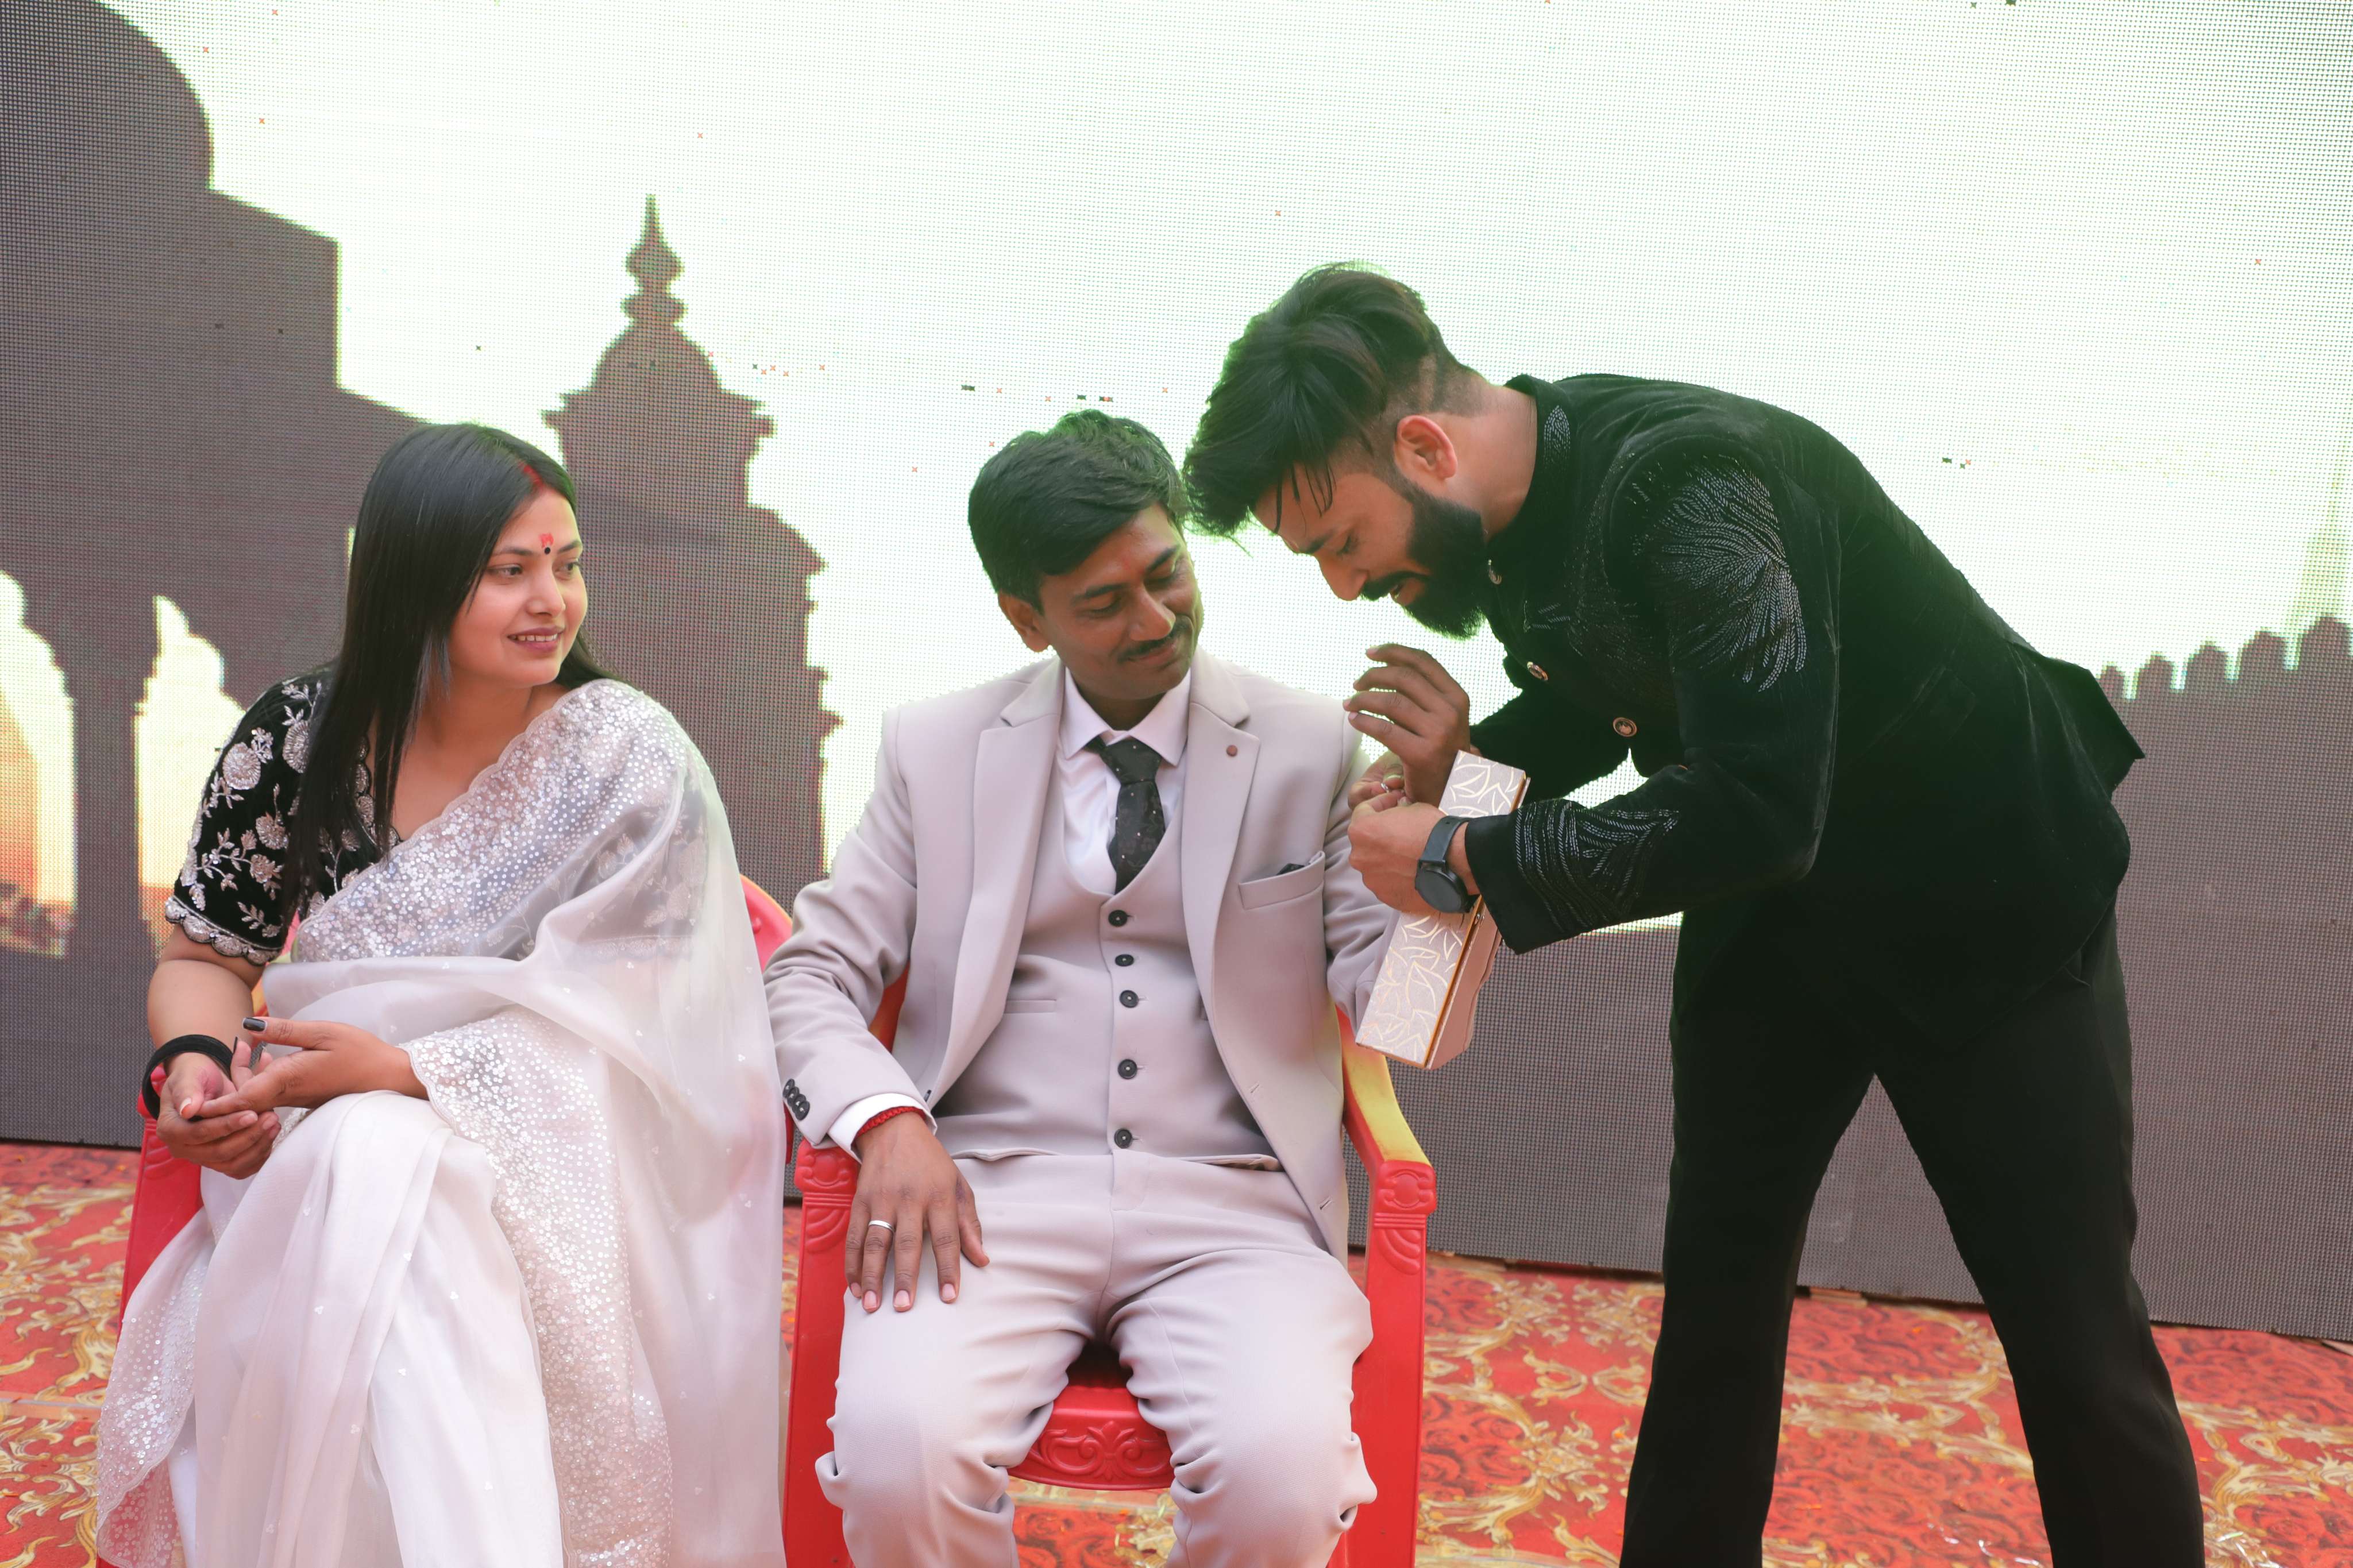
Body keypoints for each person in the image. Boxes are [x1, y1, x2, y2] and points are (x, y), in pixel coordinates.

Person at [1180, 265, 2204, 1567]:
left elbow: (1759, 806)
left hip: (1983, 896)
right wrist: (1469, 763)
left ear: (1424, 447)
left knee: (2073, 1336)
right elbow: (1619, 694)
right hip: (1773, 916)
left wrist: (1456, 853)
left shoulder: (1685, 481)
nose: (1344, 584)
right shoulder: (1510, 508)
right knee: (1716, 1308)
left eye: (1340, 540)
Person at [94, 424, 788, 1568]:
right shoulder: (301, 739)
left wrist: (413, 1073)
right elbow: (206, 956)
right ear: (416, 580)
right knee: (369, 1159)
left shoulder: (623, 758)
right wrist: (195, 1068)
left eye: (565, 563)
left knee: (390, 1160)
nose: (550, 601)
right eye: (509, 570)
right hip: (299, 1137)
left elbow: (667, 1031)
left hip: (572, 1150)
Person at [766, 410, 1395, 1567]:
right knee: (898, 1455)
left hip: (1237, 1207)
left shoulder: (1311, 748)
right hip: (984, 1198)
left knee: (1285, 1477)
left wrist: (1458, 833)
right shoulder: (934, 749)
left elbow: (1403, 1015)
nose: (1155, 620)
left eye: (1168, 575)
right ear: (1027, 617)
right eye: (1104, 602)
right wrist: (886, 1120)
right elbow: (809, 972)